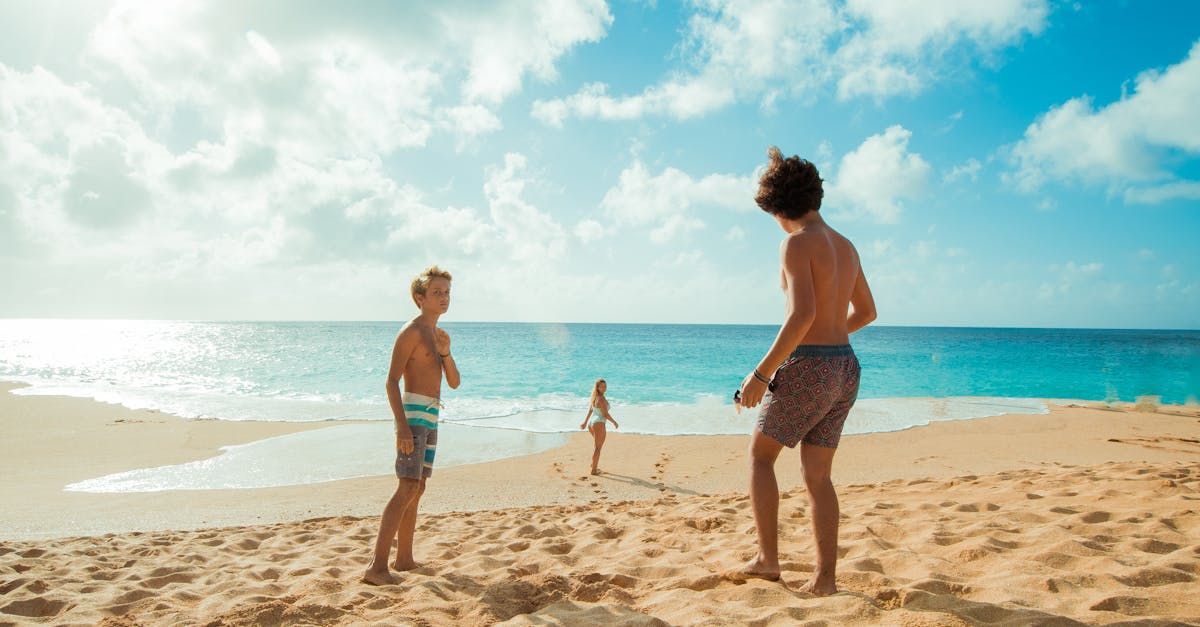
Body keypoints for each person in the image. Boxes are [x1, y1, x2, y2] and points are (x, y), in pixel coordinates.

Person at [733, 147, 877, 596]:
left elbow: (801, 315)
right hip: (845, 367)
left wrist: (760, 375)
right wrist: (833, 339)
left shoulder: (795, 243)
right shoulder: (846, 245)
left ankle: (768, 560)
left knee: (761, 456)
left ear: (778, 207)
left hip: (812, 365)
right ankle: (825, 579)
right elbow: (867, 312)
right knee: (818, 475)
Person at [363, 266, 461, 586]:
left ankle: (404, 559)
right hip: (413, 418)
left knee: (417, 488)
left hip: (431, 417)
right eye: (437, 292)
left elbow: (455, 382)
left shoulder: (437, 336)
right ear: (420, 297)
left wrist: (445, 352)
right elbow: (391, 381)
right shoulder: (412, 331)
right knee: (406, 486)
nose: (444, 297)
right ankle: (377, 567)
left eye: (447, 292)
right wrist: (402, 427)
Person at [579, 378, 619, 475]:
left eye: (605, 386)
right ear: (597, 387)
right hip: (599, 423)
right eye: (601, 386)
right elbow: (605, 414)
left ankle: (594, 465)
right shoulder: (600, 398)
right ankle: (594, 470)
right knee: (598, 447)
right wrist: (614, 422)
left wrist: (585, 422)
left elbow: (591, 410)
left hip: (592, 423)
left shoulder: (595, 397)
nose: (604, 388)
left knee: (597, 446)